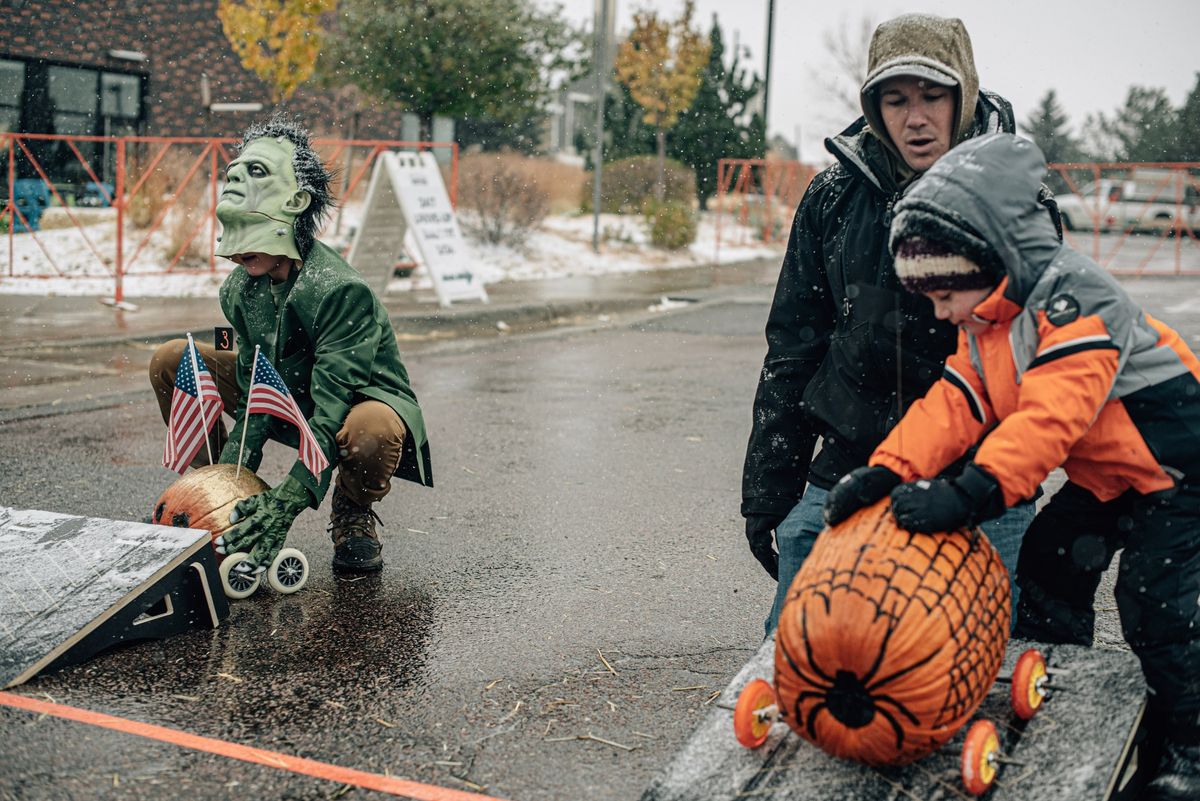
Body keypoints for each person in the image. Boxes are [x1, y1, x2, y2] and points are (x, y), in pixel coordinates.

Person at [824, 132, 1200, 800]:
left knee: (1157, 602)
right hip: (1112, 469)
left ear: (989, 260)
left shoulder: (1077, 297)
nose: (938, 311)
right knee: (1052, 563)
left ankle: (1188, 749)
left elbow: (1050, 417)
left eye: (943, 292)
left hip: (1178, 466)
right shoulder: (989, 324)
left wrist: (972, 491)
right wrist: (887, 471)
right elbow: (955, 404)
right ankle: (1058, 685)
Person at [741, 14, 1052, 633]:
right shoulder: (833, 196)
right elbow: (794, 346)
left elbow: (1047, 366)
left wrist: (989, 483)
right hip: (850, 471)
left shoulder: (1019, 204)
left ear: (963, 93)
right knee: (802, 666)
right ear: (873, 105)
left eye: (933, 96)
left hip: (981, 482)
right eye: (896, 98)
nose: (916, 117)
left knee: (967, 679)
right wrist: (771, 492)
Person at [149, 115, 432, 575]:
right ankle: (210, 493)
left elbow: (331, 406)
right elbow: (254, 387)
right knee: (171, 359)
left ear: (294, 206)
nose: (241, 255)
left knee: (372, 432)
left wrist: (288, 501)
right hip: (288, 395)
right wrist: (229, 484)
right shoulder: (240, 289)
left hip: (351, 405)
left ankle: (353, 509)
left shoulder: (340, 291)